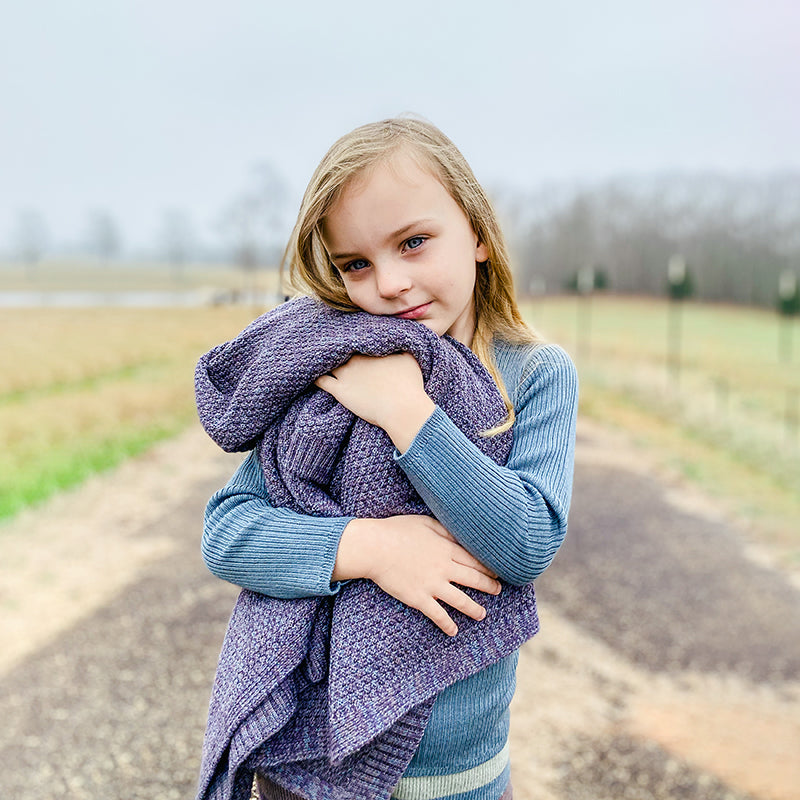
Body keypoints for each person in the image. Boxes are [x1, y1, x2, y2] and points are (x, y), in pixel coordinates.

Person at [200, 116, 578, 800]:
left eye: (413, 242)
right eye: (357, 264)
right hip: (304, 770)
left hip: (455, 782)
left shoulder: (532, 374)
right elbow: (229, 532)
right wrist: (370, 548)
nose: (391, 284)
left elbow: (526, 543)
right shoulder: (335, 363)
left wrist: (406, 412)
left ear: (477, 232)